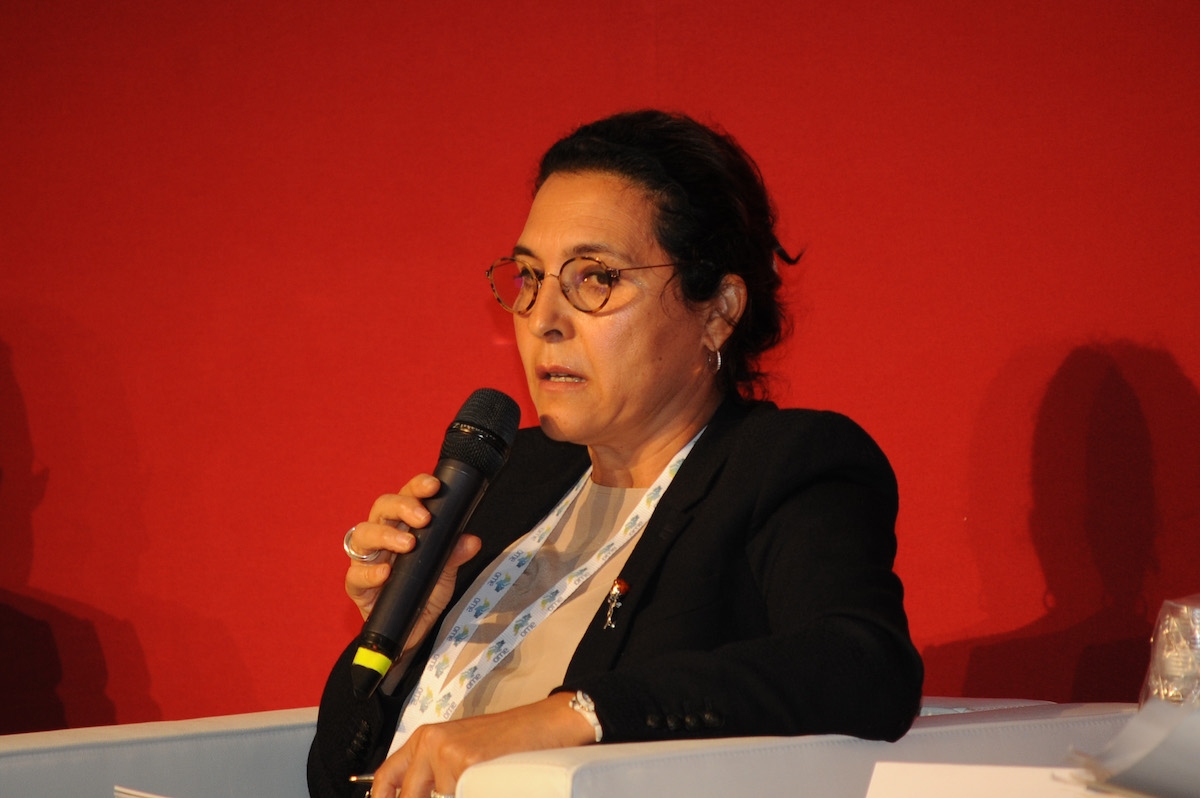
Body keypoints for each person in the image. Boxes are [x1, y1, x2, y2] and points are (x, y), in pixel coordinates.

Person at [308, 109, 923, 798]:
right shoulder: (512, 474)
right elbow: (333, 777)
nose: (543, 319)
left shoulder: (779, 466)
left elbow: (865, 665)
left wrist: (573, 717)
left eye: (595, 277)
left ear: (718, 309)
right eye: (530, 276)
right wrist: (400, 643)